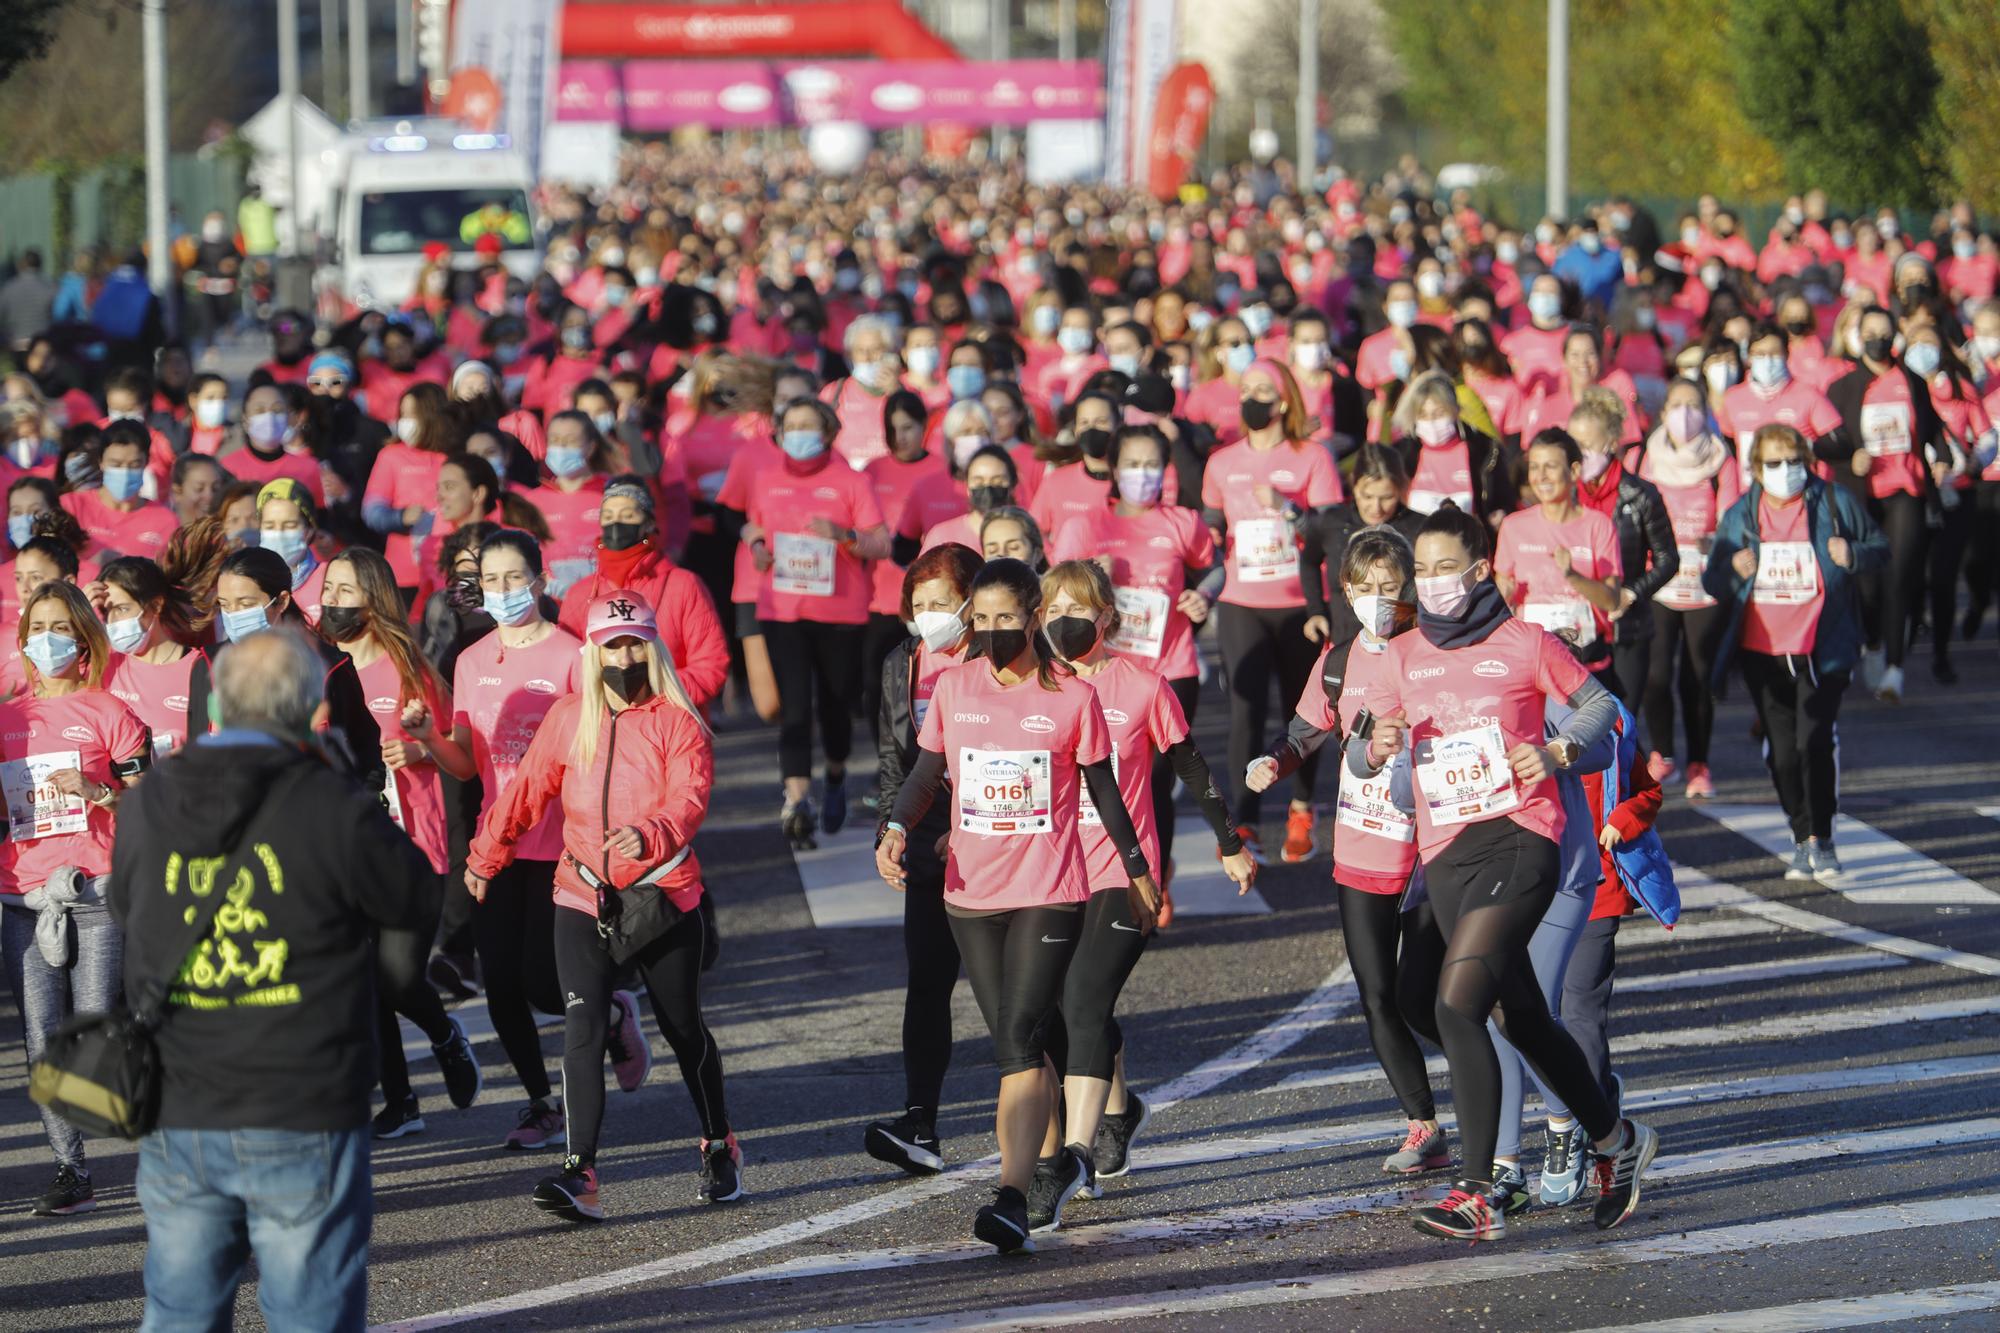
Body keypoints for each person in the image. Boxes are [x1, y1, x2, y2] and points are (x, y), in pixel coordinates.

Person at [110, 626, 435, 1328]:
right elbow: (413, 893)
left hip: (181, 1094)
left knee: (179, 1310)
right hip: (303, 1091)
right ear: (312, 708)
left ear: (217, 705)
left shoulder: (148, 800)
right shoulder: (331, 799)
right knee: (310, 1308)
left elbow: (124, 907)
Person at [1356, 505, 1660, 1242]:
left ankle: (1480, 1185)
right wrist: (1377, 747)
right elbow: (1370, 752)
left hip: (1523, 840)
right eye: (1419, 571)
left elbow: (1602, 708)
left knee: (1461, 1005)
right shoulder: (1401, 654)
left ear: (1479, 569)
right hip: (1446, 856)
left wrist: (1557, 753)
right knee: (1509, 1014)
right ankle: (1617, 1140)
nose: (1429, 584)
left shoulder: (1524, 643)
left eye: (1442, 568)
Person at [876, 558, 1160, 1254]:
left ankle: (1011, 1192)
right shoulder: (955, 687)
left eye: (1009, 617)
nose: (995, 630)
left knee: (1019, 1038)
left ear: (1034, 617)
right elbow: (926, 771)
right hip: (971, 894)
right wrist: (894, 826)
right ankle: (1060, 1153)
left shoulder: (1071, 698)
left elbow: (1104, 791)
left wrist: (1136, 866)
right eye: (984, 618)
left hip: (1049, 891)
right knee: (1018, 1039)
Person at [467, 591, 744, 1220]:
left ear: (652, 647)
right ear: (592, 651)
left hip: (663, 895)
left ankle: (719, 1143)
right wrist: (487, 856)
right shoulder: (569, 717)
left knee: (683, 1030)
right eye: (612, 644)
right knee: (583, 1029)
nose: (623, 654)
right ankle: (580, 1172)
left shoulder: (678, 720)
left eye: (634, 642)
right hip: (582, 891)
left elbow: (690, 797)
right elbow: (524, 792)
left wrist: (651, 834)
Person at [1032, 559, 1253, 1225]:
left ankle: (1072, 1154)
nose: (1066, 619)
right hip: (1052, 869)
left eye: (1081, 607)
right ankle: (1121, 1110)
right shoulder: (1037, 686)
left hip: (1128, 875)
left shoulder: (1144, 684)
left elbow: (1189, 762)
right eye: (1054, 607)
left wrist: (1230, 841)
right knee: (1061, 1008)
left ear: (1108, 616)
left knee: (1083, 1000)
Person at [1252, 528, 1447, 1173]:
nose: (1378, 600)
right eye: (1365, 589)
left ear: (1409, 586)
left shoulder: (1429, 647)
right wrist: (1272, 763)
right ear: (1346, 592)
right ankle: (1423, 1124)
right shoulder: (1337, 660)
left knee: (1428, 996)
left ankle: (1498, 1068)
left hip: (1429, 849)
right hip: (1361, 846)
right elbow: (1309, 731)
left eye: (1389, 587)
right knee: (1376, 996)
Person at [318, 547, 485, 1138]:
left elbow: (451, 745)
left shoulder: (404, 663)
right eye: (328, 589)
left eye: (345, 591)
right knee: (365, 977)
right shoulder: (318, 670)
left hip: (411, 843)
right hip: (342, 850)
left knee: (396, 978)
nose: (332, 601)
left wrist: (420, 748)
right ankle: (402, 1100)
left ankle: (444, 1035)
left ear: (374, 600)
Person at [1, 581, 151, 1216]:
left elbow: (149, 800)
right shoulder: (7, 718)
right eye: (38, 626)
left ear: (84, 635)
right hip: (23, 897)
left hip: (98, 888)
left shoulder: (110, 711)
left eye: (61, 626)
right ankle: (71, 1169)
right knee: (41, 1035)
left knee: (92, 1027)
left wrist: (99, 790)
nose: (48, 639)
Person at [447, 530, 590, 1148]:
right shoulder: (471, 660)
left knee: (542, 981)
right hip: (494, 842)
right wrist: (427, 739)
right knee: (499, 980)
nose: (502, 592)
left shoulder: (573, 655)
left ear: (540, 580)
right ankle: (540, 1101)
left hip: (559, 839)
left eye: (514, 579)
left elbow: (592, 751)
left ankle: (609, 1015)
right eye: (491, 581)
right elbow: (463, 764)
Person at [1703, 424, 1887, 885]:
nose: (1786, 471)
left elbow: (1880, 548)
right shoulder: (1741, 515)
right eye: (1774, 463)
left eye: (1794, 461)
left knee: (1815, 741)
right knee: (1783, 754)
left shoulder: (1833, 501)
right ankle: (1801, 834)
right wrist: (1731, 569)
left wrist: (1853, 556)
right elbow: (1712, 580)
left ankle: (1821, 837)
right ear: (1757, 470)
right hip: (1762, 650)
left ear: (1807, 461)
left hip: (1823, 647)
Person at [864, 544, 982, 1175]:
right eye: (919, 604)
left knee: (1016, 997)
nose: (929, 616)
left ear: (971, 602)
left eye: (942, 603)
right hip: (929, 839)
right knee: (927, 985)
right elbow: (893, 759)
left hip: (1000, 838)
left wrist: (970, 828)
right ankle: (921, 1124)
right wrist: (892, 830)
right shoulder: (901, 662)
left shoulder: (1001, 659)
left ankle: (1095, 1109)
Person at [1048, 424, 1214, 855]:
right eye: (1133, 464)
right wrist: (1091, 570)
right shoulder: (1084, 525)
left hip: (1169, 669)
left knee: (1157, 781)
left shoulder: (1183, 523)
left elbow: (1214, 568)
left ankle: (1157, 881)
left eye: (1152, 464)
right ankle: (1103, 867)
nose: (1143, 474)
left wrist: (1204, 596)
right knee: (1102, 776)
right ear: (1114, 468)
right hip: (1099, 670)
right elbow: (1055, 594)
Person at [1202, 359, 1344, 863]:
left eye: (1264, 388)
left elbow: (1331, 529)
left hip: (1301, 604)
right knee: (1246, 710)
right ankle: (1244, 821)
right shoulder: (1222, 462)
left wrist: (1288, 508)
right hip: (1243, 601)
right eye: (1247, 389)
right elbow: (1211, 529)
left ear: (1284, 401)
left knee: (1301, 713)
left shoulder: (1313, 458)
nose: (1253, 397)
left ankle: (1302, 808)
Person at [740, 397, 891, 845]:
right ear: (780, 433)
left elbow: (881, 544)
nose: (800, 433)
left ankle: (838, 773)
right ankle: (797, 799)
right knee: (795, 707)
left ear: (827, 432)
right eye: (792, 425)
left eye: (810, 425)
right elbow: (753, 527)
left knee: (834, 702)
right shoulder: (766, 479)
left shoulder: (851, 481)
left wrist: (844, 535)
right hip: (781, 610)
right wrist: (757, 550)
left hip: (840, 611)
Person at [1822, 305, 1944, 703]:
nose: (1878, 337)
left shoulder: (1910, 380)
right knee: (1868, 586)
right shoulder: (1844, 387)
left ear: (1895, 336)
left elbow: (1931, 428)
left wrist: (1940, 457)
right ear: (1859, 337)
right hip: (1861, 498)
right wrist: (1848, 459)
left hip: (1905, 489)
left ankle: (1894, 667)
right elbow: (1827, 441)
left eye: (1884, 330)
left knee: (1899, 577)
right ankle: (1872, 643)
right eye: (1869, 331)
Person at [1637, 378, 1741, 796]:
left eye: (1694, 405)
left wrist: (1715, 541)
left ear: (1707, 413)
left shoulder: (1721, 460)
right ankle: (1662, 754)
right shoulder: (1646, 458)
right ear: (1662, 413)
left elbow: (1732, 520)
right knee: (1657, 674)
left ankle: (1700, 762)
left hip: (1704, 581)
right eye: (1676, 404)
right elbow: (1637, 512)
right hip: (1660, 581)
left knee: (1697, 676)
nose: (1684, 413)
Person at [555, 475, 730, 708]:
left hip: (672, 722)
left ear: (648, 523)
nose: (616, 523)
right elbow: (566, 670)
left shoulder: (684, 585)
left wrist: (652, 694)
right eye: (608, 516)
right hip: (603, 726)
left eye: (627, 516)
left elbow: (711, 665)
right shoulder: (580, 593)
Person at [1568, 391, 1679, 715]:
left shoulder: (1641, 495)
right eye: (1574, 444)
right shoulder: (1564, 496)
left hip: (1626, 626)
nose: (1580, 454)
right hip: (1576, 626)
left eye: (1588, 445)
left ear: (1612, 443)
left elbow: (1668, 559)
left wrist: (1631, 593)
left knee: (1623, 720)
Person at [1495, 429, 1625, 682]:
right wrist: (1505, 594)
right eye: (1534, 467)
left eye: (1550, 466)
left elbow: (1611, 601)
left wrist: (1573, 576)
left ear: (1574, 471)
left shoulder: (1598, 525)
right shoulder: (1513, 526)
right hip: (1531, 664)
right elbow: (1501, 595)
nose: (1540, 476)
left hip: (1588, 664)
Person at [98, 555, 203, 758]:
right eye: (106, 610)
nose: (112, 620)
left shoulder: (199, 668)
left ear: (156, 605)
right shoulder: (102, 666)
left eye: (122, 608)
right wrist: (80, 608)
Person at [363, 383, 459, 600]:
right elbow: (371, 511)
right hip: (403, 576)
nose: (405, 422)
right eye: (402, 415)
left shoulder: (454, 457)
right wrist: (400, 517)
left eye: (412, 415)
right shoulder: (391, 455)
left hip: (449, 574)